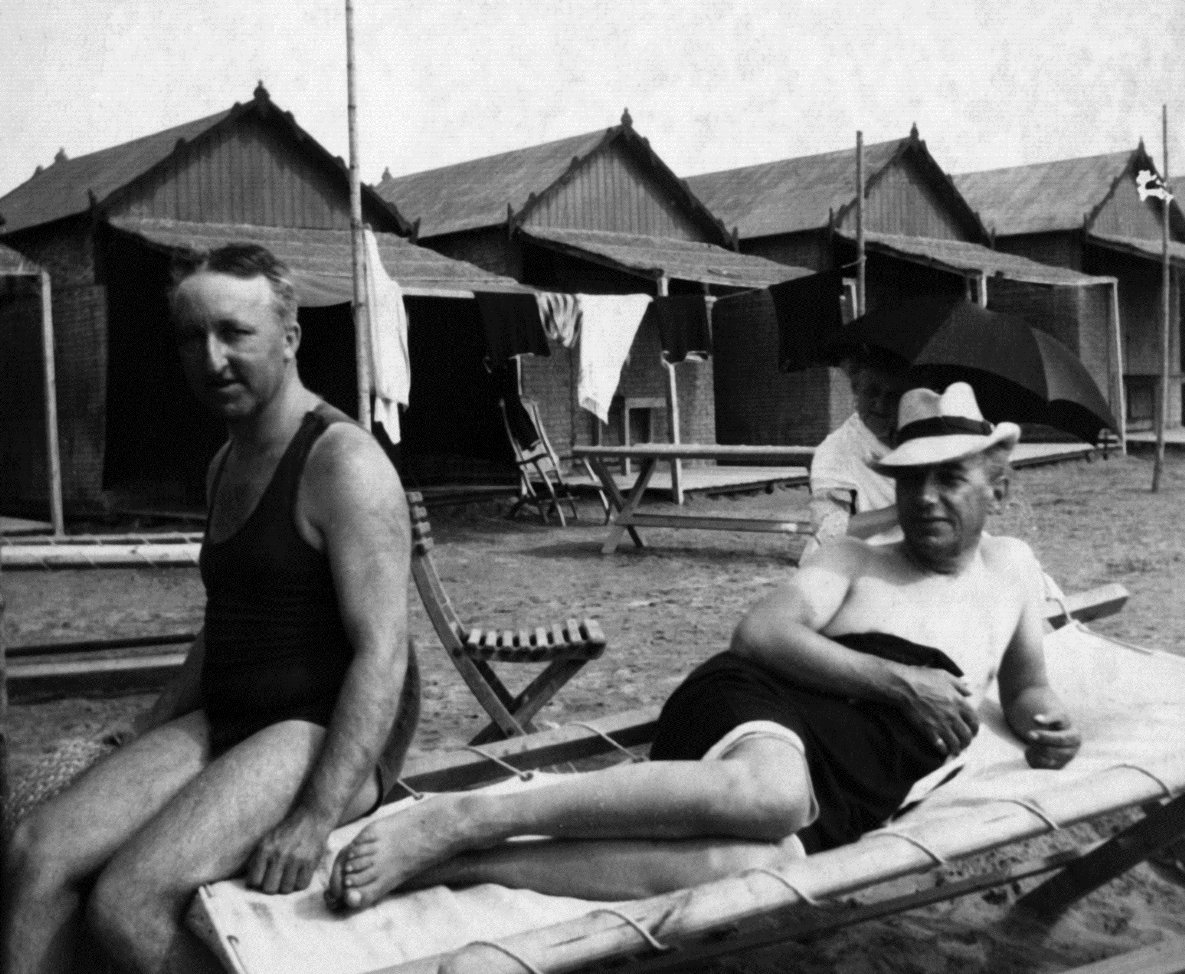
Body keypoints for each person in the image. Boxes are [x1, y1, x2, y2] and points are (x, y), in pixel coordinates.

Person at [324, 382, 1081, 909]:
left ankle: (463, 865)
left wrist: (1045, 720)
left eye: (948, 478)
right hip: (766, 708)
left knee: (760, 860)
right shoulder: (856, 559)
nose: (924, 498)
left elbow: (1025, 685)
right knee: (773, 795)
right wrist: (898, 681)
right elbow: (758, 634)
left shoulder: (1014, 570)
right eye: (910, 480)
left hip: (857, 780)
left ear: (998, 486)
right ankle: (470, 817)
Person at [2, 245, 419, 974]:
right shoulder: (226, 463)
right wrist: (147, 727)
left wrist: (315, 817)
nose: (212, 359)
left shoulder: (342, 463)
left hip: (320, 731)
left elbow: (383, 653)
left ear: (289, 338)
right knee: (36, 853)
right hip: (234, 713)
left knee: (126, 902)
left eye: (234, 333)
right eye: (192, 338)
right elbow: (226, 623)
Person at [809, 346, 909, 547]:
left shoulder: (922, 437)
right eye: (871, 392)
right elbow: (830, 531)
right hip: (862, 556)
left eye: (893, 396)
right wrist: (906, 509)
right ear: (856, 391)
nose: (880, 405)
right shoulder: (837, 450)